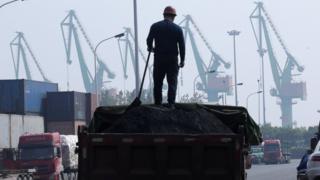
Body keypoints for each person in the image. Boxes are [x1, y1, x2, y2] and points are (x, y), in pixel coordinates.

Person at [147, 6, 185, 109]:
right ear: (173, 16)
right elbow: (182, 46)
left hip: (159, 59)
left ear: (164, 15)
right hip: (172, 60)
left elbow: (149, 40)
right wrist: (182, 60)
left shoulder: (155, 26)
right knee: (172, 82)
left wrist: (150, 48)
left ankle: (158, 103)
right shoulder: (178, 29)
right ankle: (171, 103)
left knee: (158, 82)